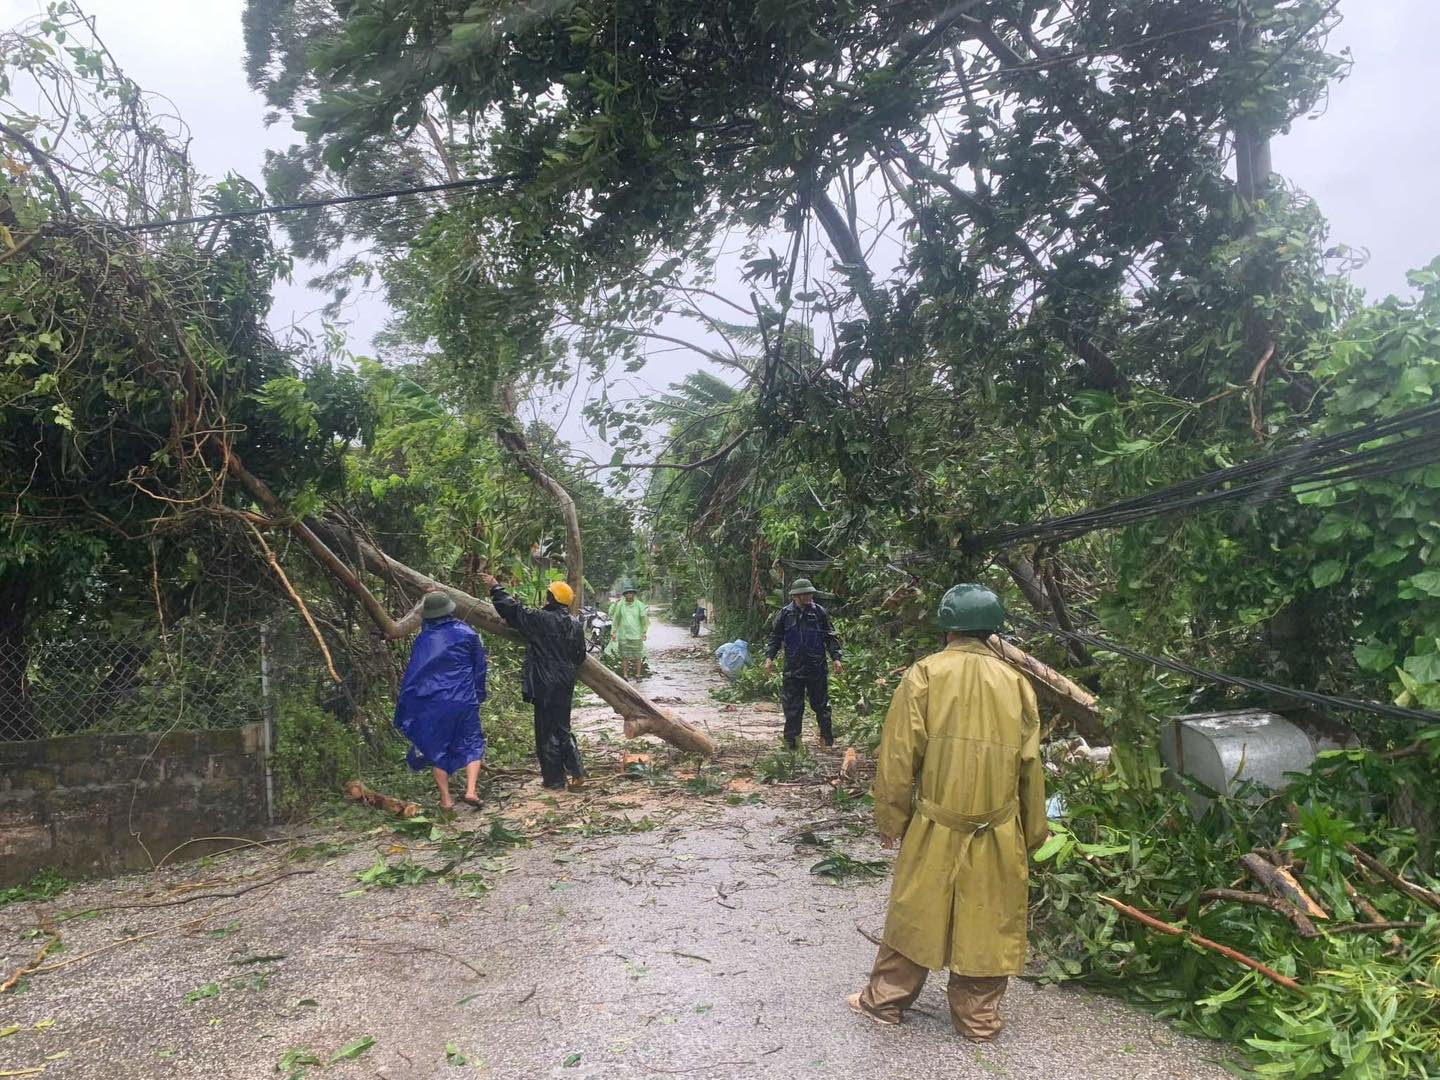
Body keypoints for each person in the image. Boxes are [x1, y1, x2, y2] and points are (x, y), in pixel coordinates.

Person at [847, 584, 1046, 1042]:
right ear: (993, 631)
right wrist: (1033, 831)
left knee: (915, 908)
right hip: (997, 825)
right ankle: (978, 1020)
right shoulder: (1018, 684)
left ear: (948, 628)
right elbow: (1031, 767)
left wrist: (891, 820)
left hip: (936, 820)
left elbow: (898, 757)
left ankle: (885, 1001)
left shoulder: (925, 674)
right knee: (989, 917)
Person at [481, 573, 587, 790]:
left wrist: (495, 587)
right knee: (562, 727)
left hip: (544, 682)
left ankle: (555, 781)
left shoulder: (541, 619)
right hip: (565, 682)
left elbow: (513, 610)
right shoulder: (575, 624)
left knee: (546, 732)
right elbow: (580, 656)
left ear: (551, 598)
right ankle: (577, 772)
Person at [393, 590, 488, 810]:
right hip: (464, 700)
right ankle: (471, 790)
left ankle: (446, 799)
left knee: (437, 748)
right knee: (473, 742)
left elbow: (414, 676)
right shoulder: (468, 633)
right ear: (450, 610)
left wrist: (407, 708)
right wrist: (478, 694)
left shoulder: (423, 640)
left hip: (434, 704)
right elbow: (479, 668)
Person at [764, 578, 842, 749]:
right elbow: (776, 638)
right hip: (793, 668)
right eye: (805, 593)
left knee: (821, 705)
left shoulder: (819, 612)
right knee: (793, 707)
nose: (809, 596)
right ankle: (792, 744)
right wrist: (770, 658)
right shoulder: (785, 614)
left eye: (810, 593)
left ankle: (826, 740)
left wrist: (836, 658)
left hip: (816, 667)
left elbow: (830, 637)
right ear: (796, 596)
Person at [609, 583, 649, 681]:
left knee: (637, 656)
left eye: (631, 593)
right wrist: (613, 632)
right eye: (627, 593)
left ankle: (638, 675)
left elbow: (644, 620)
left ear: (634, 594)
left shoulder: (639, 605)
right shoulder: (620, 605)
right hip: (624, 635)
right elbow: (616, 619)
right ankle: (625, 675)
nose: (629, 595)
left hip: (636, 635)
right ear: (625, 594)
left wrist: (644, 633)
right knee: (624, 656)